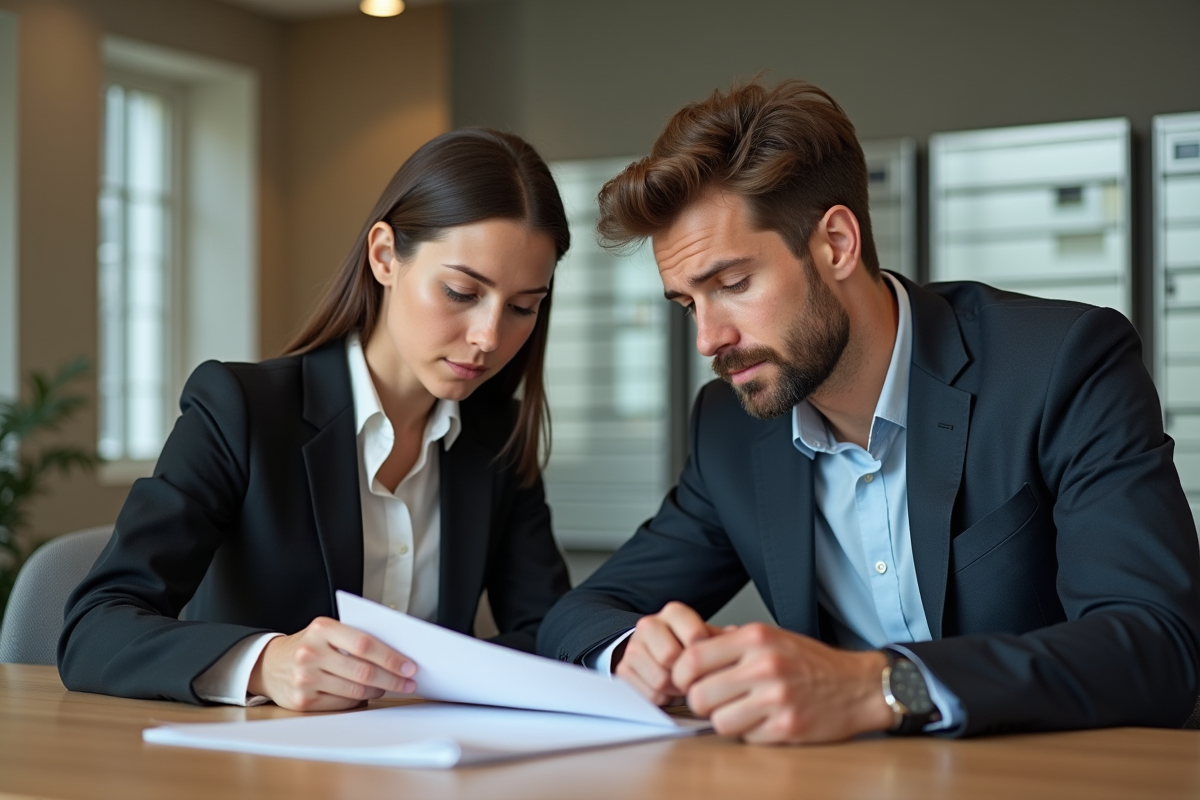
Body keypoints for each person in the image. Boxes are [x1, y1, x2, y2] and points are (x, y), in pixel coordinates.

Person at [536, 80, 1200, 741]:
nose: (709, 339)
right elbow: (582, 613)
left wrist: (880, 685)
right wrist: (629, 652)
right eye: (688, 303)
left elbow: (1157, 644)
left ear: (836, 244)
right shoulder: (729, 426)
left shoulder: (1062, 363)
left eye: (733, 284)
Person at [60, 129, 572, 711]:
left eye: (524, 307)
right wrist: (263, 663)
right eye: (460, 292)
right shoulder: (240, 410)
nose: (489, 336)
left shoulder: (496, 438)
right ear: (384, 256)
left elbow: (548, 633)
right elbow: (93, 629)